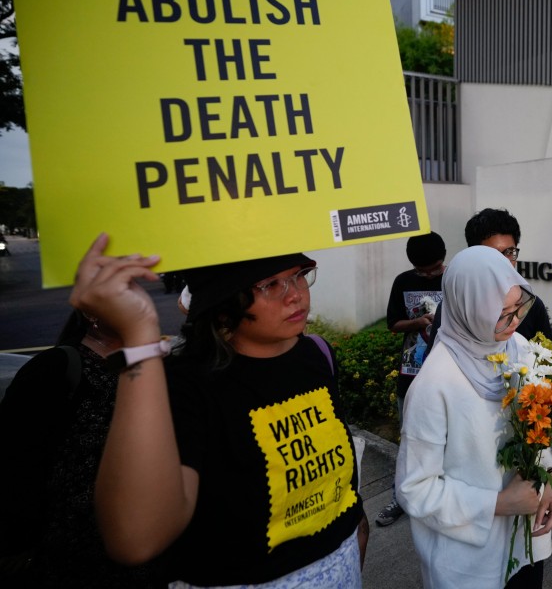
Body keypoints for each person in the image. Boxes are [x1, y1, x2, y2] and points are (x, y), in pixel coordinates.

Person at [79, 233, 367, 587]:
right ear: (225, 298)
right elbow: (135, 538)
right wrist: (139, 338)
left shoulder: (315, 355)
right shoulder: (185, 385)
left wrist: (355, 533)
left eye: (299, 275)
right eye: (269, 284)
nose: (296, 294)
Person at [395, 245, 552, 589]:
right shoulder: (435, 384)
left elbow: (536, 422)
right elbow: (414, 490)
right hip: (469, 563)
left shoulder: (517, 348)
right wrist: (497, 504)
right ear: (468, 309)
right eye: (502, 313)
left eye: (520, 306)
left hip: (526, 540)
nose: (515, 320)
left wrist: (551, 475)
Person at [0, 310, 160, 588]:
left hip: (144, 544)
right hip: (68, 550)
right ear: (91, 313)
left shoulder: (153, 367)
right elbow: (14, 461)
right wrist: (18, 544)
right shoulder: (55, 367)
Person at [376, 231, 447, 526]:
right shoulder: (403, 281)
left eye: (434, 268)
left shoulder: (455, 277)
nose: (429, 275)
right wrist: (417, 322)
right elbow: (393, 323)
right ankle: (401, 497)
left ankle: (441, 499)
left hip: (448, 373)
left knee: (447, 441)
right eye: (422, 270)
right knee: (408, 438)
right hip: (411, 371)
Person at [424, 208, 552, 360]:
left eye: (509, 252)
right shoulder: (457, 308)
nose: (503, 262)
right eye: (492, 255)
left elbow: (546, 357)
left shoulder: (533, 305)